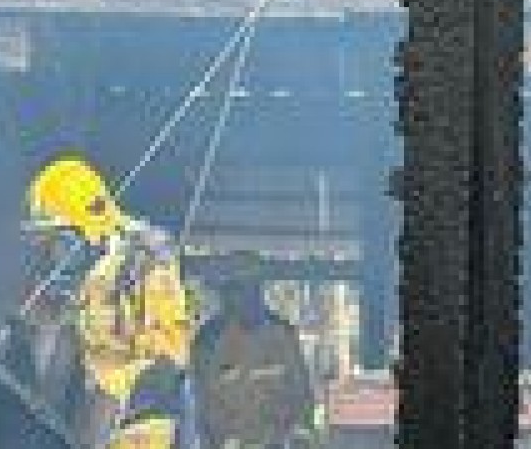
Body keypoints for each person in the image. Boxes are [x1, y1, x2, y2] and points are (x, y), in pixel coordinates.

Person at [26, 154, 197, 448]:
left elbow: (167, 365)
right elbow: (54, 367)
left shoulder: (147, 261)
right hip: (81, 425)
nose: (50, 252)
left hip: (142, 426)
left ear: (86, 229)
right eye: (45, 242)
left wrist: (107, 401)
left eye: (58, 239)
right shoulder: (65, 279)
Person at [190, 252, 320, 448]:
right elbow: (197, 410)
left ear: (258, 288)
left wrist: (299, 438)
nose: (231, 298)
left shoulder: (283, 336)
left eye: (241, 288)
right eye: (227, 290)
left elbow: (302, 400)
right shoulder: (207, 342)